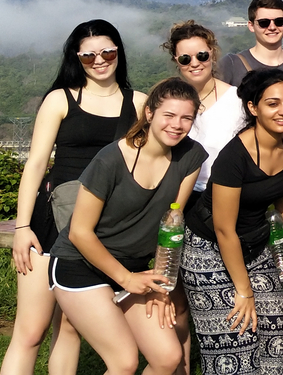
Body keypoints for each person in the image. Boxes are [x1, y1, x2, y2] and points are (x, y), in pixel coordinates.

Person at [3, 19, 146, 375]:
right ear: (76, 58)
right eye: (88, 55)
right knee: (31, 331)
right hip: (52, 224)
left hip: (102, 228)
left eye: (108, 51)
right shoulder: (61, 99)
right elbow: (35, 165)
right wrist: (22, 227)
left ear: (119, 53)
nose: (100, 60)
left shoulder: (139, 103)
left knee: (70, 327)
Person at [49, 78, 207, 375]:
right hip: (79, 264)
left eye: (187, 118)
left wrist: (163, 286)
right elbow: (79, 232)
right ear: (149, 113)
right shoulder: (110, 160)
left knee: (168, 358)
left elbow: (171, 224)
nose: (177, 125)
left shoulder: (190, 156)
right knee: (123, 361)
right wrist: (126, 278)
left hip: (134, 269)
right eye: (169, 115)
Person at [182, 68, 283, 375]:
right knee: (235, 347)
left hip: (254, 244)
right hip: (208, 250)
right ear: (253, 108)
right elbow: (224, 229)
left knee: (276, 338)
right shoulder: (234, 157)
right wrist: (244, 291)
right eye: (273, 103)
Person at [163, 20, 245, 212]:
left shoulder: (238, 100)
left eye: (202, 56)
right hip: (178, 198)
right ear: (176, 61)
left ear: (213, 55)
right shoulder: (168, 102)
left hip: (227, 197)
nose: (195, 64)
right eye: (185, 59)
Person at [218, 0, 283, 88]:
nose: (272, 27)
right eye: (264, 23)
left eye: (279, 21)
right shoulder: (232, 64)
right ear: (251, 26)